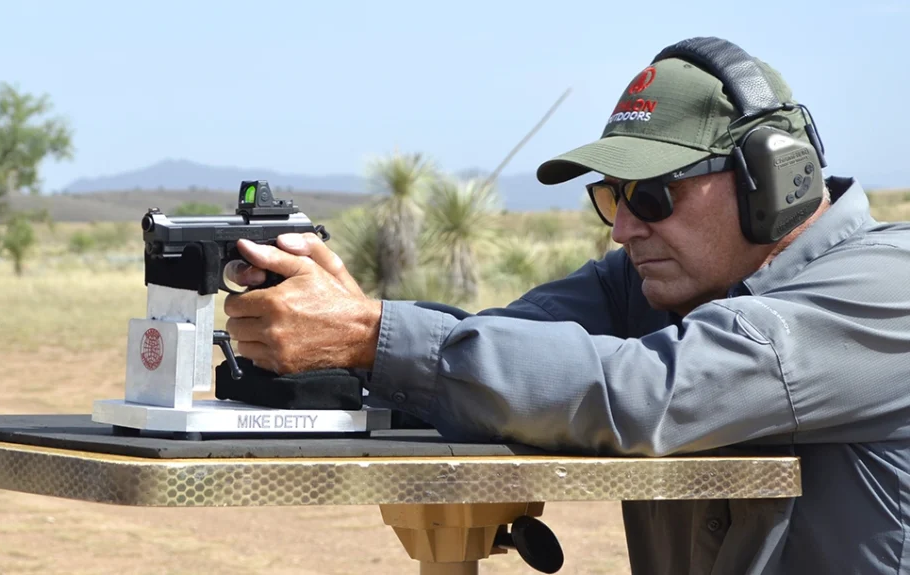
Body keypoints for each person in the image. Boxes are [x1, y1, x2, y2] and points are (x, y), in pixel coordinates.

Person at [222, 36, 910, 574]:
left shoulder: (883, 290)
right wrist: (333, 333)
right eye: (613, 195)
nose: (623, 226)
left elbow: (650, 391)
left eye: (650, 193)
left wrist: (372, 334)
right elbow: (500, 349)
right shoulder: (649, 284)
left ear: (772, 179)